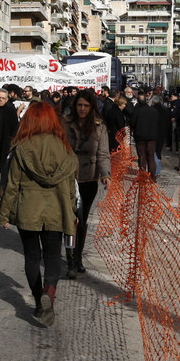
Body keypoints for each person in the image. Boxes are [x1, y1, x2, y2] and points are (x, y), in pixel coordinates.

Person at [0, 102, 77, 327]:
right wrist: (72, 211)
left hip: (28, 209)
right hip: (56, 210)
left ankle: (38, 301)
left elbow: (11, 185)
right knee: (53, 257)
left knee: (32, 257)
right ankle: (49, 292)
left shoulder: (22, 148)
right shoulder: (65, 148)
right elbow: (71, 186)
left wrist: (4, 215)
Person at [63, 90, 110, 277]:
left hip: (89, 177)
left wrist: (106, 174)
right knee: (70, 219)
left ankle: (78, 256)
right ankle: (70, 260)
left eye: (85, 105)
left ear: (91, 107)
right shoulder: (65, 122)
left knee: (82, 221)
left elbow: (103, 153)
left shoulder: (99, 126)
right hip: (68, 177)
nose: (82, 109)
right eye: (79, 105)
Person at [128, 92, 160, 180]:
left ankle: (142, 176)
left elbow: (132, 123)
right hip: (152, 136)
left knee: (142, 157)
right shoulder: (154, 111)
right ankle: (152, 177)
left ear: (138, 102)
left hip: (140, 136)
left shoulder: (137, 111)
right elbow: (158, 122)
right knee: (151, 157)